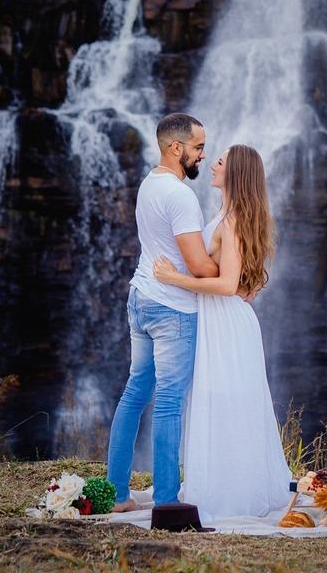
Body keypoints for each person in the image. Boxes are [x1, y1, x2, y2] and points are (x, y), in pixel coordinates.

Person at [153, 145, 293, 520]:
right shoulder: (234, 215)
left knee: (225, 403)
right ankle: (226, 487)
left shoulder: (232, 221)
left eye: (221, 161)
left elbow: (230, 285)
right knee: (226, 404)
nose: (212, 164)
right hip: (226, 321)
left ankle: (231, 497)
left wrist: (173, 278)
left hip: (227, 324)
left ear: (236, 174)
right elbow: (245, 283)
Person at [106, 113, 218, 512]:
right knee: (169, 401)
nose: (204, 155)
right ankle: (167, 501)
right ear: (177, 147)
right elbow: (200, 266)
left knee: (135, 392)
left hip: (141, 299)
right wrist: (241, 274)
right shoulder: (181, 195)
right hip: (172, 308)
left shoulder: (149, 184)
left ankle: (116, 494)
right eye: (199, 147)